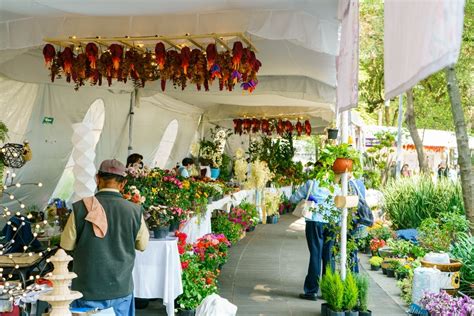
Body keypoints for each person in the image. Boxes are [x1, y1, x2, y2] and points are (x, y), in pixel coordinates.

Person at [61, 159, 149, 316]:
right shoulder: (134, 211)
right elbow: (142, 245)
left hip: (87, 289)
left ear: (97, 179)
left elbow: (66, 245)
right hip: (120, 288)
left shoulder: (80, 207)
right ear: (123, 184)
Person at [290, 170, 340, 301]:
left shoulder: (311, 183)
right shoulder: (336, 184)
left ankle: (311, 291)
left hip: (315, 221)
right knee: (329, 255)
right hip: (332, 222)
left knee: (315, 255)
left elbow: (293, 198)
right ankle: (328, 290)